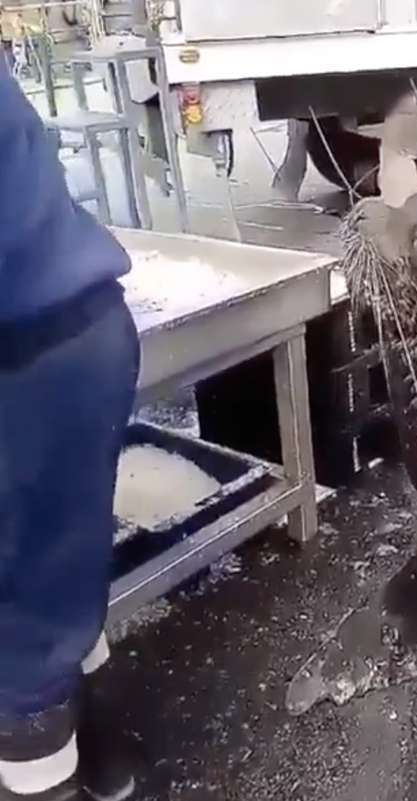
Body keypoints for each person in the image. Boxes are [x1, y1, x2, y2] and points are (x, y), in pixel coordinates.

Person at [0, 53, 140, 801]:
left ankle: (47, 771)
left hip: (26, 365)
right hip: (87, 333)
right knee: (62, 571)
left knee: (21, 637)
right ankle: (111, 768)